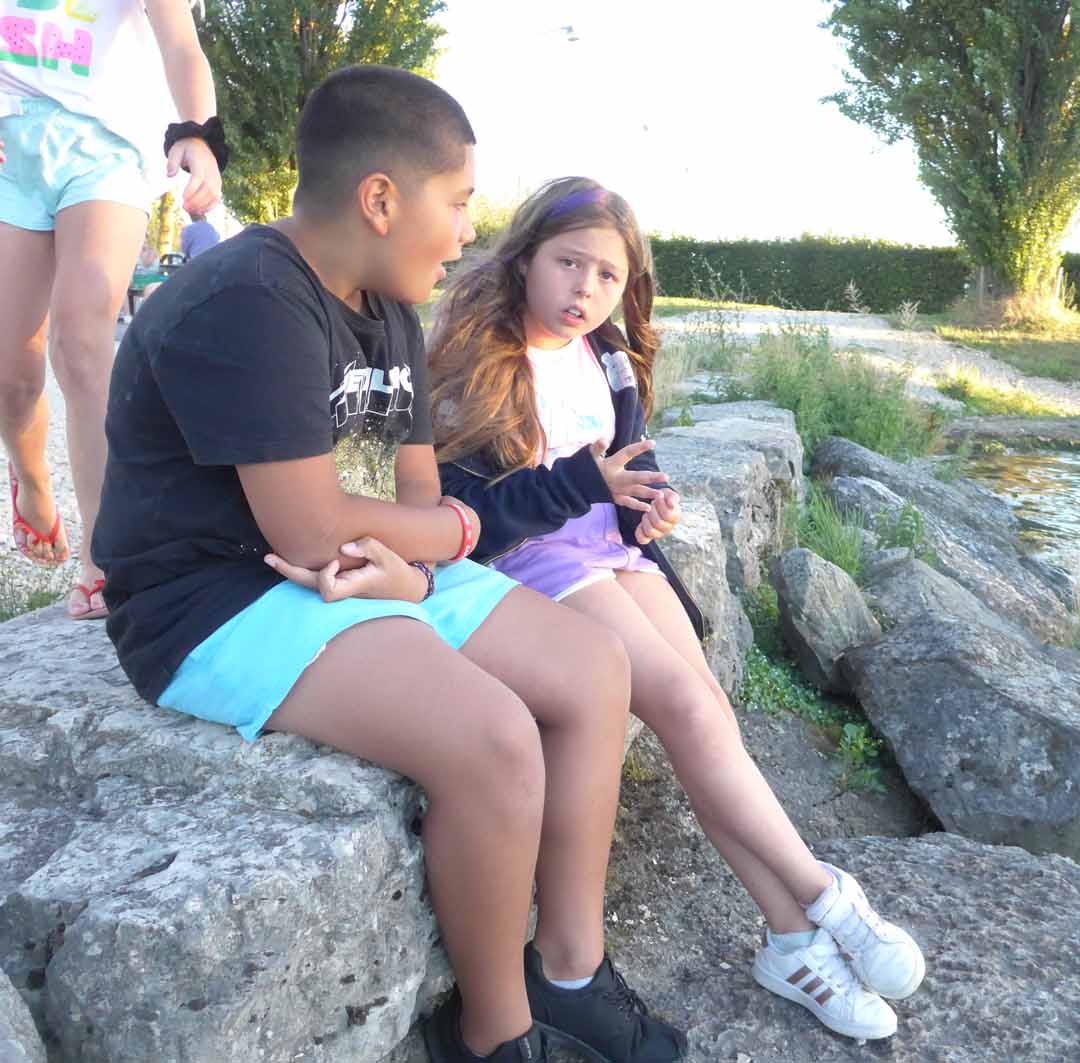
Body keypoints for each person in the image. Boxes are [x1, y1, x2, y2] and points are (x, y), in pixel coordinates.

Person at [91, 68, 685, 1063]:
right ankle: (495, 1035)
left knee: (595, 668)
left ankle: (571, 972)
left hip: (359, 566)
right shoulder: (250, 298)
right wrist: (445, 538)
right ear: (379, 198)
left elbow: (414, 495)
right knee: (494, 738)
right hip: (215, 597)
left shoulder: (388, 305)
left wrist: (420, 568)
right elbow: (314, 529)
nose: (465, 233)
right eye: (455, 203)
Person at [430, 177, 927, 1042]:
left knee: (710, 724)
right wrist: (585, 485)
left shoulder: (609, 359)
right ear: (526, 259)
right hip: (534, 563)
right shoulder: (485, 359)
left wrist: (645, 510)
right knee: (692, 712)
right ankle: (824, 895)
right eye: (568, 262)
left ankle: (790, 939)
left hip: (616, 554)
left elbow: (631, 470)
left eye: (607, 275)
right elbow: (464, 520)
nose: (585, 288)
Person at [0, 0, 222, 620]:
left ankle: (103, 550)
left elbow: (181, 45)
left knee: (81, 341)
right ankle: (31, 476)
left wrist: (198, 133)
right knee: (11, 373)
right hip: (9, 148)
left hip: (107, 148)